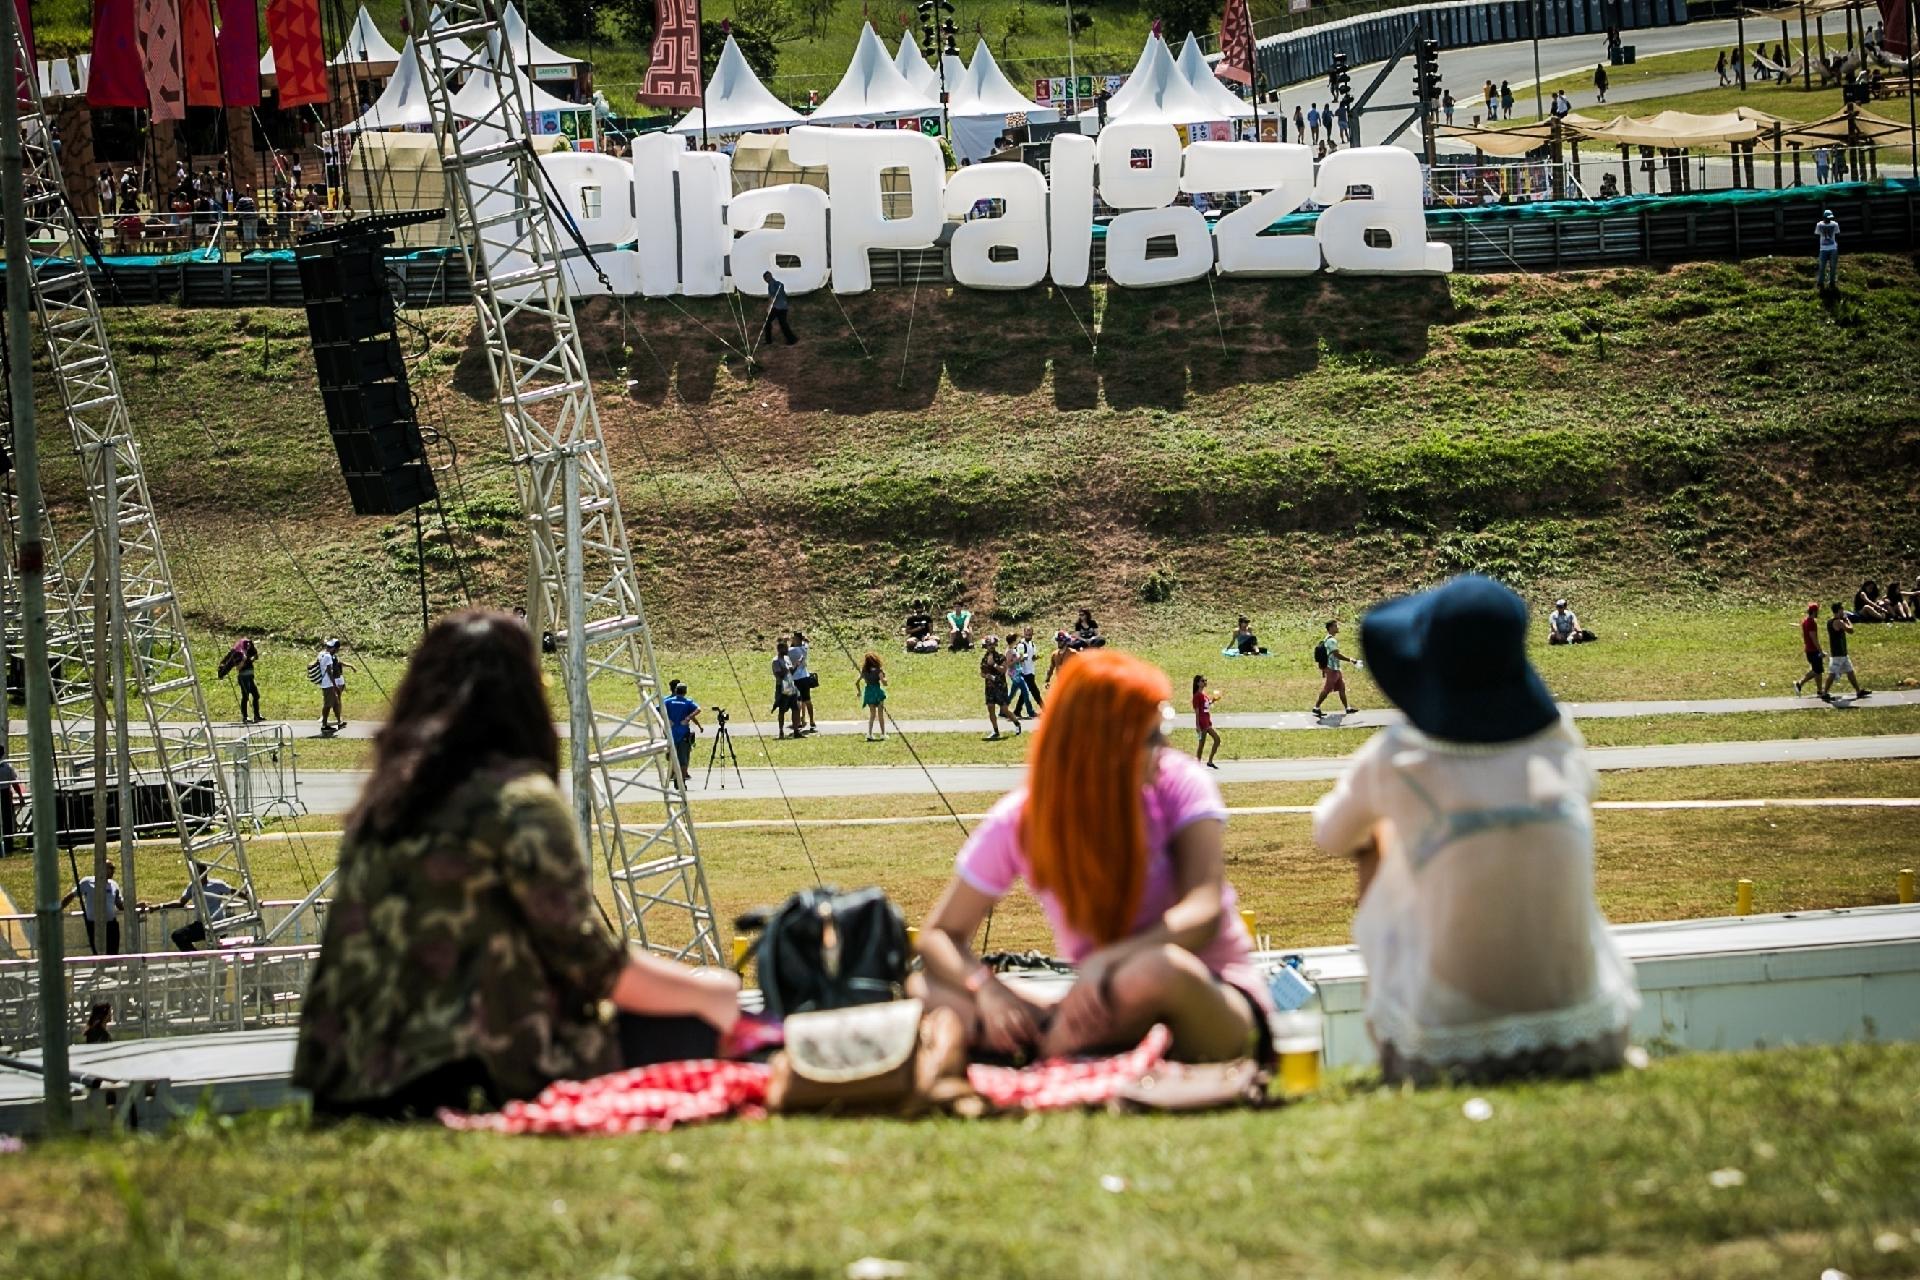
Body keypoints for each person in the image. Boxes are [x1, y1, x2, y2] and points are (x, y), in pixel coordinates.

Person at [293, 611, 742, 1120]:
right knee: (692, 1024)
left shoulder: (385, 807)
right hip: (457, 1076)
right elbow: (592, 964)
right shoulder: (518, 802)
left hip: (344, 1082)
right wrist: (712, 994)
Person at [1312, 575, 1639, 1085]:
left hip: (1445, 1047)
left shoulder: (1401, 756)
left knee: (1377, 841)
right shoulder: (1559, 741)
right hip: (1589, 1029)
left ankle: (1393, 1038)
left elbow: (1331, 835)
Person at [914, 650, 1271, 1063]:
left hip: (1212, 997)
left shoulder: (1179, 782)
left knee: (1156, 969)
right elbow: (938, 935)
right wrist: (986, 989)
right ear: (1100, 746)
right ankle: (1062, 1050)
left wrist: (1108, 960)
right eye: (1151, 737)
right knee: (927, 991)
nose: (1165, 747)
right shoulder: (1024, 819)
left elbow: (1204, 911)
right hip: (1106, 1000)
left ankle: (1046, 1054)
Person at [170, 861, 238, 950]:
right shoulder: (193, 886)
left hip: (217, 924)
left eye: (199, 872)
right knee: (177, 935)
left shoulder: (216, 884)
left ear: (205, 872)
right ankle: (196, 958)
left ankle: (206, 957)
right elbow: (181, 902)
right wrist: (160, 906)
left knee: (215, 946)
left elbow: (234, 891)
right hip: (201, 925)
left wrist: (252, 900)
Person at [61, 861, 124, 955]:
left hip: (111, 925)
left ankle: (112, 968)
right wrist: (58, 910)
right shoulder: (87, 882)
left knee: (113, 954)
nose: (113, 871)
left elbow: (120, 905)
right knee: (98, 953)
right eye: (110, 868)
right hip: (94, 925)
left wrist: (137, 905)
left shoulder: (113, 884)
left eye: (114, 868)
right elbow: (71, 896)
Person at [1824, 602, 1870, 701]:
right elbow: (1850, 630)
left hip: (1842, 653)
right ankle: (1825, 692)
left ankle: (1858, 691)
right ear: (1838, 610)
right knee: (1832, 673)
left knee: (1850, 672)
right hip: (1838, 653)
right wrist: (1847, 619)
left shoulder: (1830, 621)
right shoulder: (1838, 622)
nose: (1843, 611)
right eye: (1842, 610)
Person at [1312, 619, 1357, 718]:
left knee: (1342, 688)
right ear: (1331, 628)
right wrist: (1350, 660)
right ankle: (1316, 707)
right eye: (1336, 626)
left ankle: (1347, 708)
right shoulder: (1332, 641)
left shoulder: (1327, 639)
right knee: (1327, 690)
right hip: (1332, 669)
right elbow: (1336, 654)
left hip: (1335, 668)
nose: (1337, 628)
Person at [979, 636, 1022, 741]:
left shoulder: (1000, 657)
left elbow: (1003, 670)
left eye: (991, 645)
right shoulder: (984, 658)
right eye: (988, 645)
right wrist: (987, 676)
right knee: (990, 708)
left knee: (1004, 709)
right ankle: (995, 731)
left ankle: (1017, 723)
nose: (990, 647)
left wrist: (993, 664)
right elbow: (982, 673)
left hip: (1000, 686)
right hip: (989, 687)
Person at [663, 679, 702, 783]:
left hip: (671, 732)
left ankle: (672, 772)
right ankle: (682, 778)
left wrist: (667, 720)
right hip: (683, 732)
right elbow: (698, 709)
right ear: (685, 691)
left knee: (672, 753)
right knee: (684, 755)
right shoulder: (688, 702)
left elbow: (658, 709)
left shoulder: (667, 701)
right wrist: (688, 718)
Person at [1009, 626, 1044, 720]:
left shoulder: (1032, 644)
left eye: (1030, 633)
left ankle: (1017, 710)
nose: (1028, 635)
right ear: (1024, 633)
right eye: (1026, 633)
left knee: (1024, 693)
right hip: (1024, 672)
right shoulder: (1021, 644)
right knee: (1034, 691)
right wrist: (1022, 658)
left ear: (1032, 634)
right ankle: (1044, 709)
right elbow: (1019, 657)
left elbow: (1031, 657)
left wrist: (1036, 657)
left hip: (1030, 671)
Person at [225, 637, 262, 723]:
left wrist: (252, 658)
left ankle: (257, 715)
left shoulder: (248, 652)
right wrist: (244, 660)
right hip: (243, 677)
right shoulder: (239, 654)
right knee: (245, 696)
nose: (249, 645)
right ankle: (245, 717)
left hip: (250, 677)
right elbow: (238, 668)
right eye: (247, 644)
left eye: (249, 644)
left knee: (256, 695)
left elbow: (253, 658)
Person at [787, 630, 818, 733]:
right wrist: (804, 640)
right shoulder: (804, 648)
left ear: (797, 640)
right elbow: (806, 643)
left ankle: (799, 722)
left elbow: (786, 652)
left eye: (794, 639)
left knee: (798, 701)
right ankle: (812, 721)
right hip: (805, 676)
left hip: (796, 678)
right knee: (807, 700)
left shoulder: (792, 650)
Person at [314, 638, 348, 732]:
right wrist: (334, 684)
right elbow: (329, 672)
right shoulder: (328, 656)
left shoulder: (321, 654)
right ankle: (324, 725)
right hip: (328, 684)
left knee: (335, 703)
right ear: (334, 649)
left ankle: (339, 722)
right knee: (328, 705)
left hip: (326, 683)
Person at [1793, 601, 1826, 696]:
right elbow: (1813, 637)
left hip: (1808, 649)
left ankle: (1820, 691)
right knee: (1817, 670)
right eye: (1817, 611)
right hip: (1813, 650)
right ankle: (1799, 683)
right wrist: (1820, 650)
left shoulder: (1805, 621)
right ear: (1814, 612)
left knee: (1818, 671)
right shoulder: (1811, 623)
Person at [771, 637, 800, 739]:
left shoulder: (787, 659)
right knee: (782, 710)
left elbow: (790, 672)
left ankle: (796, 731)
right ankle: (781, 731)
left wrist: (796, 665)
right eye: (785, 648)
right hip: (782, 687)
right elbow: (779, 674)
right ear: (780, 649)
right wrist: (786, 670)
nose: (787, 650)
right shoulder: (776, 661)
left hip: (791, 686)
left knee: (796, 708)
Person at [1191, 674, 1221, 769]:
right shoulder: (1197, 696)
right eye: (1203, 681)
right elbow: (1197, 711)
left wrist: (1213, 700)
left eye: (1205, 680)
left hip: (1207, 722)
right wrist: (1197, 726)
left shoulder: (1204, 695)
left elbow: (1206, 705)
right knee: (1201, 744)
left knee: (1217, 739)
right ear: (1198, 683)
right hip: (1202, 722)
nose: (1205, 682)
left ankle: (1210, 761)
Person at [760, 271, 797, 347]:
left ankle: (768, 341)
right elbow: (784, 295)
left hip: (777, 307)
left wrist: (769, 307)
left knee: (767, 322)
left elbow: (772, 296)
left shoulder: (771, 284)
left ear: (766, 278)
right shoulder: (780, 284)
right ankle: (792, 339)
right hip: (784, 307)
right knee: (783, 324)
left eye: (765, 279)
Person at [859, 652, 889, 740]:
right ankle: (883, 733)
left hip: (869, 692)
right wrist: (885, 680)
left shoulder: (864, 671)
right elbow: (884, 682)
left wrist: (859, 692)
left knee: (872, 714)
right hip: (877, 692)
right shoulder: (879, 670)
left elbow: (857, 681)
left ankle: (869, 733)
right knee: (880, 714)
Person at [0, 749, 22, 856]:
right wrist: (20, 795)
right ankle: (8, 844)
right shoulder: (7, 767)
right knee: (7, 821)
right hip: (5, 794)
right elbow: (14, 783)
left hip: (4, 793)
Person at [1815, 209, 1840, 292]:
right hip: (1823, 249)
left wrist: (1836, 247)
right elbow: (1817, 235)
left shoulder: (1835, 224)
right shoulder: (1819, 224)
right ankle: (1820, 283)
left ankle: (1832, 282)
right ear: (1824, 217)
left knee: (1833, 266)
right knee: (1822, 266)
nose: (1829, 219)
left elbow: (1837, 235)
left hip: (1833, 248)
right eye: (1827, 218)